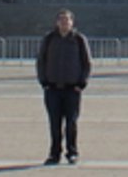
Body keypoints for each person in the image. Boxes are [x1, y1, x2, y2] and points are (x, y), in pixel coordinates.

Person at [36, 9, 91, 165]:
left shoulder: (79, 39)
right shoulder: (49, 39)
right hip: (53, 88)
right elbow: (41, 61)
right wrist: (44, 82)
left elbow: (86, 63)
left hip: (72, 89)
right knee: (54, 123)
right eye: (61, 20)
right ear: (56, 22)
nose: (64, 23)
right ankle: (54, 153)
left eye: (67, 20)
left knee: (71, 123)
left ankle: (72, 152)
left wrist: (82, 83)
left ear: (72, 22)